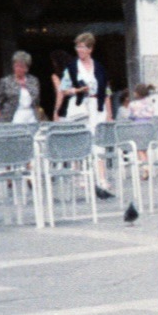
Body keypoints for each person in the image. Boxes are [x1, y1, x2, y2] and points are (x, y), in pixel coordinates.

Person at [61, 32, 114, 195]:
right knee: (81, 141)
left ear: (90, 49)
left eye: (82, 47)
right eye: (77, 47)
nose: (79, 50)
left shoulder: (99, 67)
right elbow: (63, 90)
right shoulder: (71, 68)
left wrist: (109, 114)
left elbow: (106, 90)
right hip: (80, 107)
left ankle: (102, 179)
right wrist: (77, 90)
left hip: (96, 106)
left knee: (98, 143)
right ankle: (81, 176)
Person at [0, 50, 40, 123]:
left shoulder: (34, 81)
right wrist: (0, 121)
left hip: (31, 115)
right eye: (16, 66)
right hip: (12, 116)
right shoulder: (5, 81)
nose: (18, 69)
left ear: (27, 68)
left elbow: (37, 102)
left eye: (22, 66)